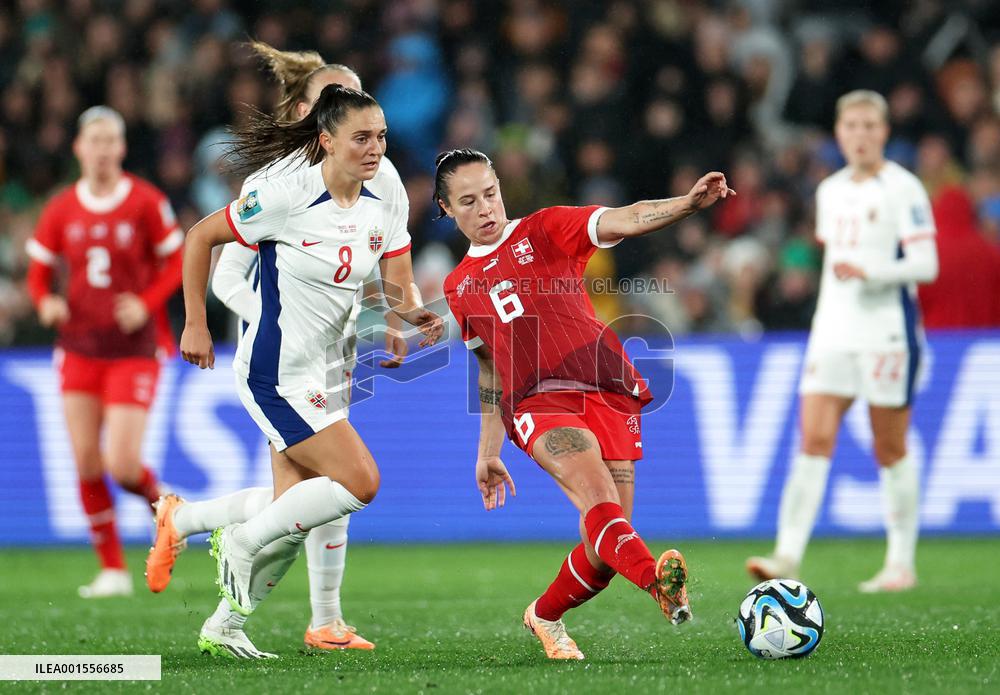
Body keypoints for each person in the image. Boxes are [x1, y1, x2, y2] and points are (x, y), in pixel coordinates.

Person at [145, 44, 407, 657]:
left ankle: (201, 560)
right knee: (337, 490)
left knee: (302, 509)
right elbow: (222, 263)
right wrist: (203, 324)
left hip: (332, 360)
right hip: (278, 363)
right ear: (319, 123)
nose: (373, 143)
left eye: (377, 129)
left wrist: (395, 315)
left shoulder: (381, 179)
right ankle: (311, 611)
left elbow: (387, 260)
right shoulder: (279, 187)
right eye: (350, 120)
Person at [438, 148, 734, 660]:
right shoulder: (458, 286)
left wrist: (685, 205)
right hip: (537, 402)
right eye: (468, 201)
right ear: (446, 210)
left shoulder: (547, 228)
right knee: (597, 497)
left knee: (605, 546)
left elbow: (626, 216)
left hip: (605, 385)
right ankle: (658, 585)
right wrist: (489, 448)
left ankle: (545, 616)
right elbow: (489, 368)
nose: (485, 208)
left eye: (490, 193)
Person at [746, 90, 939, 592]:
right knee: (812, 439)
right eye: (851, 125)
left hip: (888, 333)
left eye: (869, 126)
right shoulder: (830, 190)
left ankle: (901, 563)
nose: (860, 134)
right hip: (833, 331)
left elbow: (927, 264)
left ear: (885, 132)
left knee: (889, 446)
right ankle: (787, 553)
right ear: (838, 133)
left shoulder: (905, 189)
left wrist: (874, 272)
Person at [25, 106, 183, 599]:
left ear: (120, 148)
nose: (100, 149)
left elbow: (177, 261)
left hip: (133, 350)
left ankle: (169, 509)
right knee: (88, 463)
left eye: (109, 140)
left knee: (121, 464)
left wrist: (147, 303)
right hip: (78, 348)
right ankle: (112, 570)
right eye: (92, 140)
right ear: (78, 148)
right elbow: (38, 273)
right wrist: (45, 301)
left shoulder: (145, 201)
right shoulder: (60, 208)